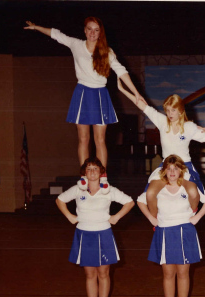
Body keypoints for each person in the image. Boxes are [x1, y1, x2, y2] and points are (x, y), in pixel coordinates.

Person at [25, 18, 143, 192]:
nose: (93, 33)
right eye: (90, 29)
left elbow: (122, 72)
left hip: (100, 95)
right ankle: (84, 176)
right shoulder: (76, 44)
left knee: (100, 139)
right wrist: (36, 27)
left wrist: (137, 93)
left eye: (96, 30)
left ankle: (103, 176)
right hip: (82, 94)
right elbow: (56, 34)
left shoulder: (107, 52)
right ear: (85, 30)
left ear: (100, 32)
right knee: (83, 138)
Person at [117, 80, 205, 216]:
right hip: (166, 166)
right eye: (167, 110)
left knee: (193, 192)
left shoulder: (189, 127)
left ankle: (191, 214)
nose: (170, 114)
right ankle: (156, 222)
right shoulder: (162, 122)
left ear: (180, 111)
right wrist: (123, 90)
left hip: (185, 166)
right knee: (150, 193)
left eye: (173, 110)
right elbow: (141, 104)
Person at [56, 157, 134, 297]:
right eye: (89, 169)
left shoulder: (109, 190)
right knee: (90, 274)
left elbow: (129, 202)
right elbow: (60, 200)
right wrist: (70, 216)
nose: (92, 172)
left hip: (104, 234)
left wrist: (116, 217)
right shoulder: (78, 190)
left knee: (103, 273)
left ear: (101, 173)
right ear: (84, 172)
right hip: (84, 235)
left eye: (95, 169)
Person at [139, 154, 205, 297]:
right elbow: (140, 201)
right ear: (164, 171)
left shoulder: (188, 187)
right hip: (165, 232)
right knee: (168, 273)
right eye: (169, 168)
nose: (172, 172)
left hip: (184, 232)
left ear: (181, 170)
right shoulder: (158, 187)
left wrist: (197, 217)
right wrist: (151, 218)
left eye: (176, 168)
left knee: (183, 272)